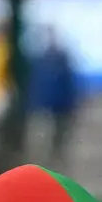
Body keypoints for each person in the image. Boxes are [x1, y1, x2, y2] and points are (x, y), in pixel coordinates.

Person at [26, 28, 82, 174]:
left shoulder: (61, 59)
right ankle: (42, 174)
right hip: (44, 108)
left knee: (58, 146)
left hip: (59, 109)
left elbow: (69, 86)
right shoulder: (38, 60)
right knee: (42, 146)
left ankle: (56, 175)